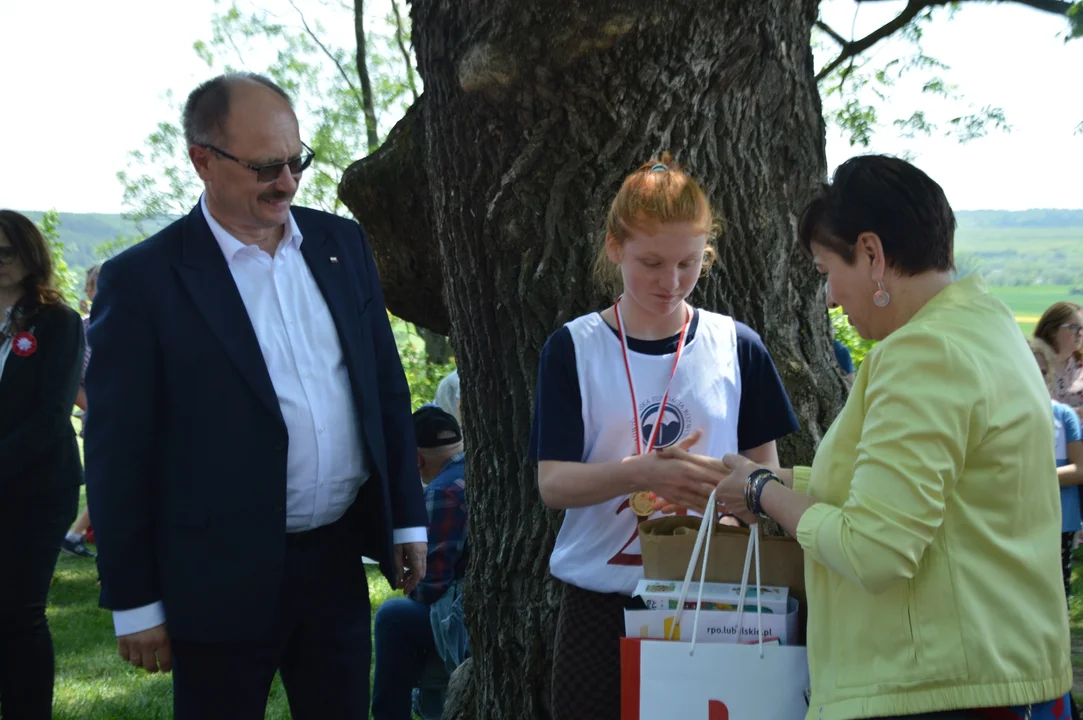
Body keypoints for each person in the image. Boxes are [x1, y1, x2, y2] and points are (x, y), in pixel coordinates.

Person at [662, 155, 1072, 719]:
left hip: (936, 690)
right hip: (991, 672)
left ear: (873, 255)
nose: (830, 297)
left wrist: (762, 493)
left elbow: (874, 550)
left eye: (828, 270)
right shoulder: (986, 326)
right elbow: (914, 492)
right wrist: (769, 478)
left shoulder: (923, 353)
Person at [84, 73, 428, 720]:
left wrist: (405, 518)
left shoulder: (341, 245)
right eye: (267, 166)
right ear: (203, 161)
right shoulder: (143, 282)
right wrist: (134, 601)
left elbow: (384, 386)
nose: (288, 182)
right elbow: (115, 455)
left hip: (333, 563)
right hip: (214, 577)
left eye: (297, 160)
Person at [528, 154, 800, 719]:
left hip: (714, 599)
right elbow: (552, 484)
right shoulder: (574, 348)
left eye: (688, 262)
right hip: (600, 600)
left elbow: (766, 484)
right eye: (651, 262)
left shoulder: (737, 346)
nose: (670, 281)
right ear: (613, 247)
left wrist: (731, 501)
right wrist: (643, 473)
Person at [0, 210, 86, 719]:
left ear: (30, 254)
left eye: (6, 252)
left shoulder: (58, 321)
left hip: (36, 487)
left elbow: (51, 412)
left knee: (17, 610)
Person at [373, 405, 469, 720]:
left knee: (391, 615)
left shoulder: (441, 490)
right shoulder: (477, 468)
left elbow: (431, 586)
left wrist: (407, 582)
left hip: (466, 610)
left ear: (417, 459)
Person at [1030, 337, 1083, 602]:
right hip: (1019, 520)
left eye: (1041, 372)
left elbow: (1079, 468)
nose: (1035, 378)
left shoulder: (1063, 415)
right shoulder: (998, 415)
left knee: (1057, 592)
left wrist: (1030, 478)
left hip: (1062, 519)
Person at [62, 263, 101, 559]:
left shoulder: (140, 322)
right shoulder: (81, 330)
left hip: (145, 420)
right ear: (88, 290)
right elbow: (72, 384)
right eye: (100, 283)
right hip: (101, 421)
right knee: (108, 481)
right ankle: (74, 534)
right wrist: (103, 411)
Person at [1035, 301, 1083, 420]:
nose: (1080, 333)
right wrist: (1074, 413)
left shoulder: (1079, 364)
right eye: (1073, 327)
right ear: (1052, 331)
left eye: (1082, 328)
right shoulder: (1034, 363)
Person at [829, 321, 855, 387]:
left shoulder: (840, 349)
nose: (831, 332)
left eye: (832, 329)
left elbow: (850, 378)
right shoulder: (840, 349)